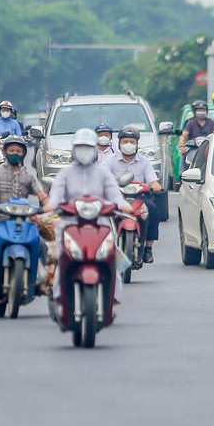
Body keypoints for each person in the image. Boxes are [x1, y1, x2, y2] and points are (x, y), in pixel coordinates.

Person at [46, 128, 132, 300]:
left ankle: (112, 298)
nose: (83, 152)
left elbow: (114, 193)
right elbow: (56, 194)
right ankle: (58, 297)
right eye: (80, 148)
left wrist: (122, 204)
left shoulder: (103, 173)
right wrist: (51, 205)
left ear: (94, 149)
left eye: (87, 148)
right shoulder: (65, 173)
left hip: (100, 222)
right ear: (73, 150)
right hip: (69, 223)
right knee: (61, 259)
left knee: (111, 259)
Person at [0, 135, 49, 292]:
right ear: (5, 152)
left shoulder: (28, 177)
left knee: (41, 245)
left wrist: (48, 206)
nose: (15, 153)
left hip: (23, 222)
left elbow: (42, 196)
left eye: (18, 150)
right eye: (11, 150)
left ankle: (39, 279)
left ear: (23, 154)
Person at [103, 124, 164, 263]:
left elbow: (153, 181)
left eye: (132, 142)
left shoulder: (144, 162)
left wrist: (155, 186)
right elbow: (104, 179)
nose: (128, 145)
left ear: (137, 144)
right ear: (118, 143)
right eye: (125, 142)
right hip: (117, 198)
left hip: (139, 198)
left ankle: (148, 248)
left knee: (153, 210)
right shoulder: (109, 161)